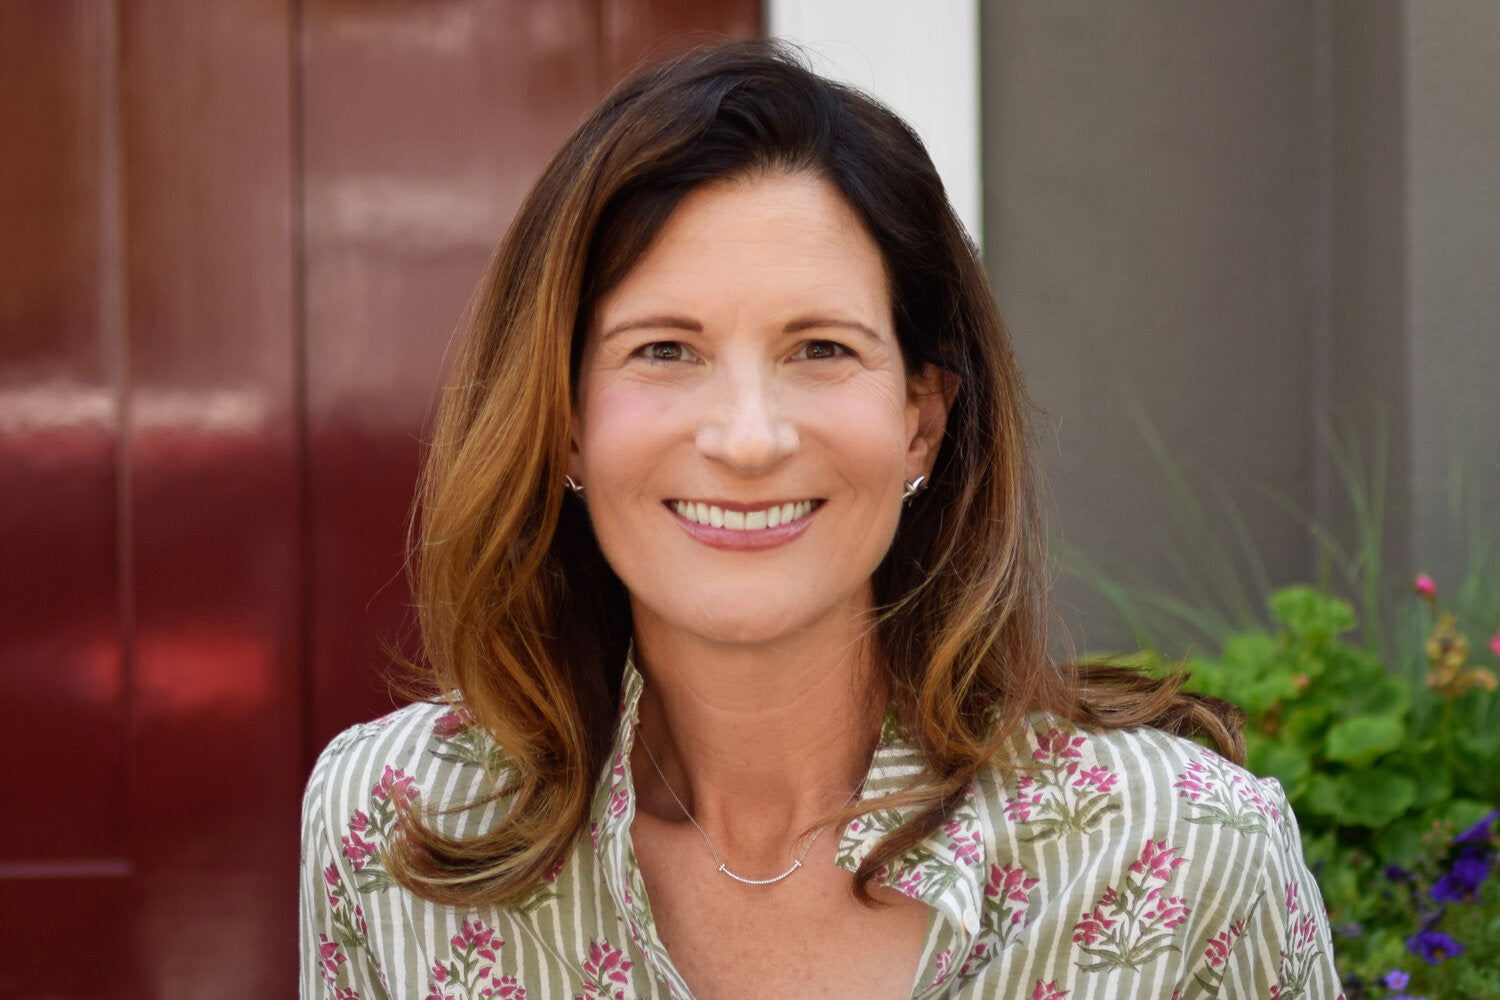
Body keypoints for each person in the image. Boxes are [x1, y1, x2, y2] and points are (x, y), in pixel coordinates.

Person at [301, 40, 1343, 1000]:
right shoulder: (395, 831)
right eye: (665, 349)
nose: (748, 439)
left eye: (821, 350)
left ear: (921, 423)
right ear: (565, 421)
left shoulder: (1189, 856)